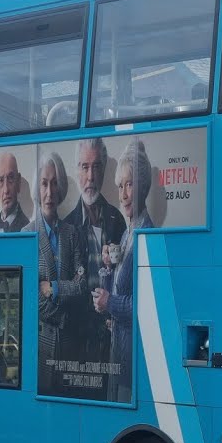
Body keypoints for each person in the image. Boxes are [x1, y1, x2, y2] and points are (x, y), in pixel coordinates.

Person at [92, 140, 153, 402]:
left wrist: (109, 303)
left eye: (129, 185)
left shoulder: (147, 235)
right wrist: (107, 269)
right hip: (117, 356)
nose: (123, 194)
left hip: (133, 363)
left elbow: (146, 307)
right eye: (120, 186)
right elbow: (118, 292)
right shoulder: (128, 234)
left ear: (143, 186)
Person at [25, 151, 86, 395]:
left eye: (54, 183)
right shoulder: (27, 234)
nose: (49, 192)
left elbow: (82, 286)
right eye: (44, 183)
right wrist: (64, 316)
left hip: (71, 350)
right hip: (41, 348)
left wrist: (54, 288)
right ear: (37, 189)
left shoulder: (72, 233)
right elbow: (32, 298)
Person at [63, 138, 126, 366]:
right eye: (84, 167)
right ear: (77, 171)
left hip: (111, 333)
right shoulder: (67, 225)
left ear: (104, 170)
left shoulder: (117, 220)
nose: (90, 176)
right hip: (77, 337)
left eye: (96, 167)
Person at [0, 151, 29, 233]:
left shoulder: (27, 227)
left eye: (10, 178)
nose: (6, 190)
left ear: (18, 182)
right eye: (1, 181)